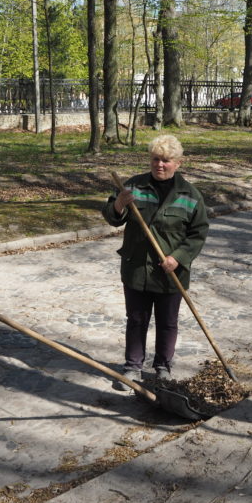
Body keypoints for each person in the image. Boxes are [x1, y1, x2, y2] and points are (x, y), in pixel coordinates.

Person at [102, 135, 209, 389]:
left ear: (178, 163)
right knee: (136, 319)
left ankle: (163, 367)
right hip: (137, 269)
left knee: (167, 322)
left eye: (166, 160)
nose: (160, 164)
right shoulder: (133, 187)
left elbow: (198, 233)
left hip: (170, 273)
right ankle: (132, 368)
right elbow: (112, 217)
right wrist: (118, 205)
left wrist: (178, 258)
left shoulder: (191, 196)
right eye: (155, 159)